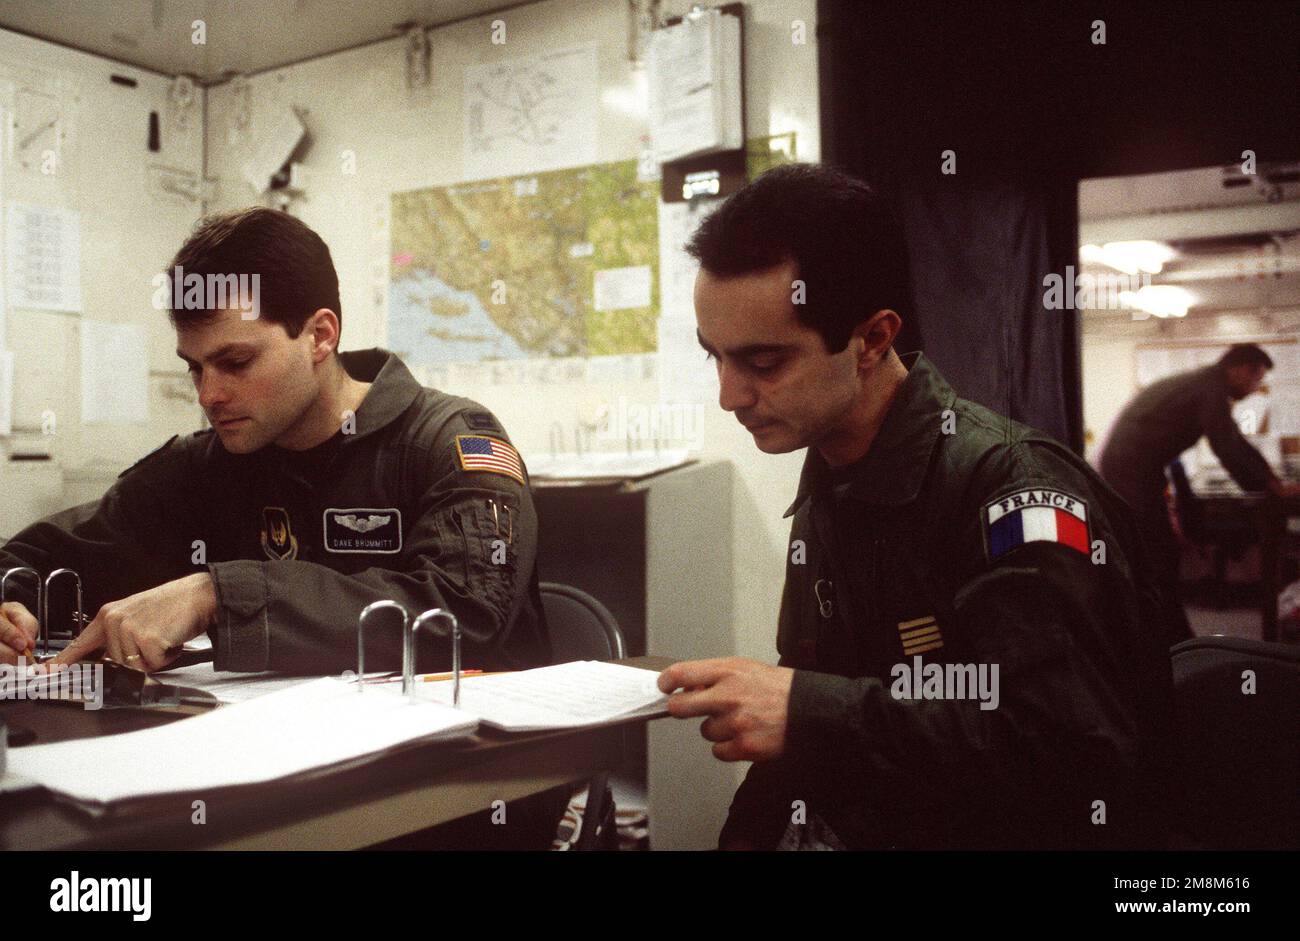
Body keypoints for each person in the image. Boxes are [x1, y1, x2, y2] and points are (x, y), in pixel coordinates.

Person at [656, 163, 1173, 850]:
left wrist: (808, 712)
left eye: (764, 362)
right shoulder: (834, 486)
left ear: (873, 339)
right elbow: (801, 761)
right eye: (714, 356)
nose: (729, 395)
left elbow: (1072, 754)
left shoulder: (1011, 489)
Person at [0, 207, 550, 675]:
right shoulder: (205, 465)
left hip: (469, 775)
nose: (208, 395)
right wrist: (9, 601)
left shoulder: (450, 442)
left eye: (235, 363)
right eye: (194, 369)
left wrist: (216, 596)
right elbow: (39, 558)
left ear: (320, 335)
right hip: (287, 764)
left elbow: (462, 617)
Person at [1098, 344, 1300, 647]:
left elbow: (1230, 440)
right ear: (1239, 369)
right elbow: (1227, 443)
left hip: (1135, 471)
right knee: (1156, 556)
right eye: (1255, 378)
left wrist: (1269, 481)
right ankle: (1164, 640)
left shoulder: (1205, 384)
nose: (1256, 387)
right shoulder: (1208, 387)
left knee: (1159, 555)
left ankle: (1169, 635)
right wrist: (1272, 485)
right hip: (1129, 473)